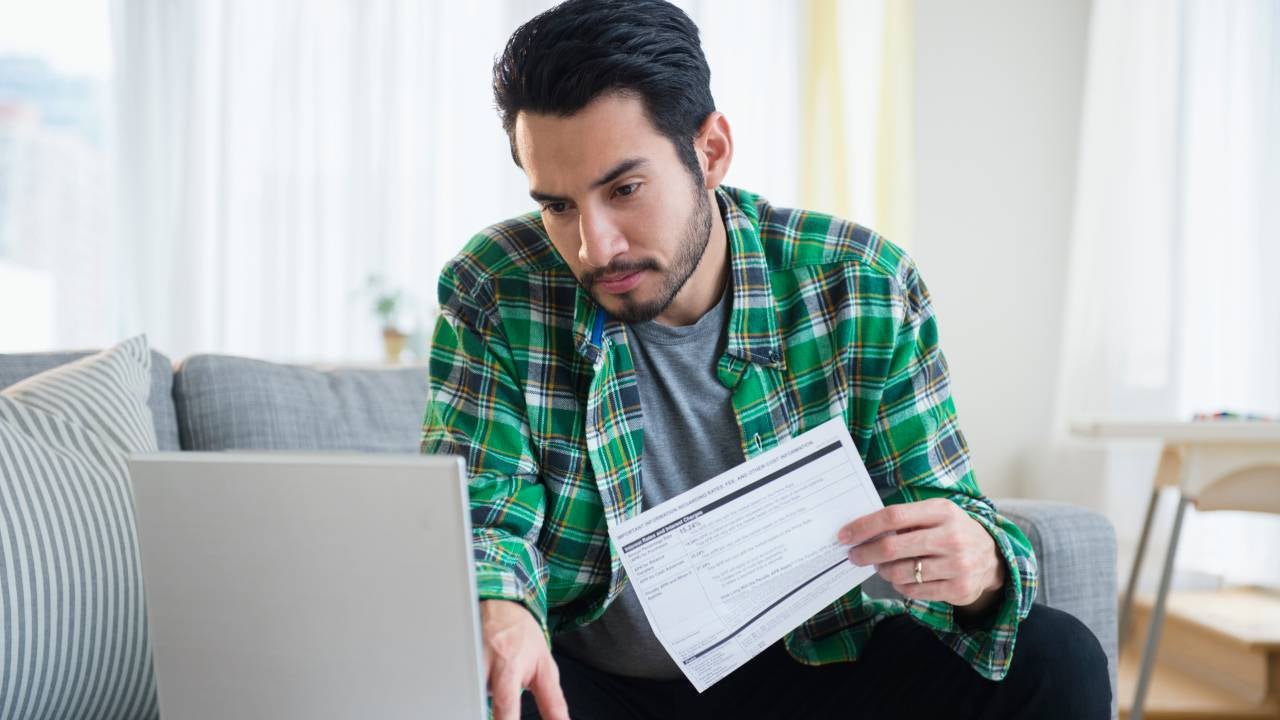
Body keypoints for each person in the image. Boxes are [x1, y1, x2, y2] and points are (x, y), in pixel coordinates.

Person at [421, 1, 1110, 718]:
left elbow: (948, 505)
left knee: (1056, 659)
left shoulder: (859, 283)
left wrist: (983, 565)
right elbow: (485, 516)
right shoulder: (497, 286)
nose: (596, 247)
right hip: (591, 689)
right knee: (476, 673)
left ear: (711, 151)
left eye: (624, 190)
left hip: (808, 672)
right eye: (559, 207)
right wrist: (497, 604)